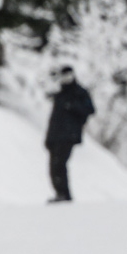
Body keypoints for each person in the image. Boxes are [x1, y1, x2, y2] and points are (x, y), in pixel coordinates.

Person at [45, 65, 94, 203]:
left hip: (69, 135)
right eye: (64, 76)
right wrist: (49, 138)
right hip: (56, 136)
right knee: (54, 166)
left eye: (68, 76)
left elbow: (89, 109)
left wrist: (72, 106)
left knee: (60, 164)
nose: (66, 79)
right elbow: (54, 119)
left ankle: (64, 194)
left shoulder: (79, 93)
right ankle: (60, 193)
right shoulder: (60, 94)